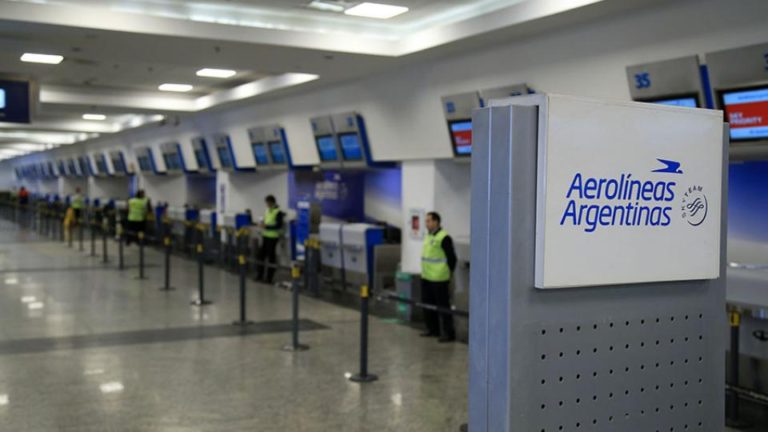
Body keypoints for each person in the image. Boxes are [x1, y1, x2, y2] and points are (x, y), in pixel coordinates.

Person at [420, 211, 457, 343]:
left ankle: (448, 333)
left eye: (429, 221)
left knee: (443, 306)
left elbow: (452, 258)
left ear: (436, 222)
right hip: (427, 277)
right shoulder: (428, 236)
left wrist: (448, 272)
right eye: (426, 221)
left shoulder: (444, 237)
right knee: (428, 305)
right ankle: (432, 329)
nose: (426, 223)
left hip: (439, 278)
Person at [256, 195, 284, 284]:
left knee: (271, 257)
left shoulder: (278, 212)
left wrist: (267, 226)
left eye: (268, 202)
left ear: (272, 202)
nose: (267, 204)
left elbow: (279, 225)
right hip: (265, 236)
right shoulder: (267, 210)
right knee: (261, 256)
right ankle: (259, 275)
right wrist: (262, 223)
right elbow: (266, 221)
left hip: (273, 237)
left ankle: (269, 278)